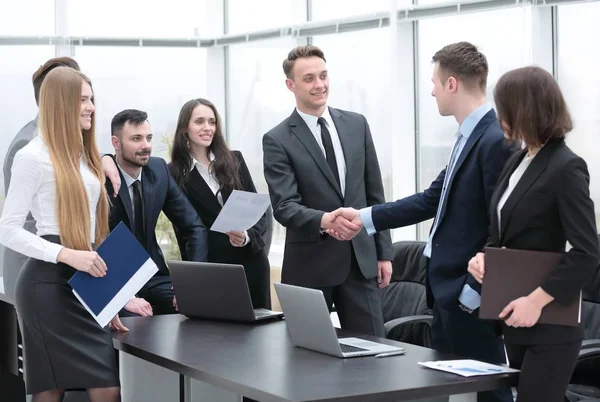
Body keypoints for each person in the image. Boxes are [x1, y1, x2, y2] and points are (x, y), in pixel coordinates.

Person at [330, 42, 513, 402]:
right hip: (444, 292)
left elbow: (502, 227)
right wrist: (364, 217)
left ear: (452, 84)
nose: (430, 91)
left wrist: (472, 294)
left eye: (434, 82)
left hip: (468, 293)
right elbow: (432, 199)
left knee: (490, 394)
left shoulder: (493, 140)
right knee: (449, 392)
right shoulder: (467, 137)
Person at [467, 66, 599, 402]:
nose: (500, 117)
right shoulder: (519, 159)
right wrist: (485, 256)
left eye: (506, 108)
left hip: (550, 324)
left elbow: (586, 252)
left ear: (525, 109)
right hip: (514, 317)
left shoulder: (566, 167)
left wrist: (535, 301)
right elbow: (501, 228)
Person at [0, 66, 126, 402]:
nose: (91, 107)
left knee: (108, 388)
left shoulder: (84, 158)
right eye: (82, 100)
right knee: (50, 391)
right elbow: (8, 229)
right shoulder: (31, 157)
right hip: (46, 286)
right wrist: (65, 254)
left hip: (83, 280)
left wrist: (107, 298)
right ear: (61, 103)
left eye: (91, 99)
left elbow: (91, 232)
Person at [262, 45, 393, 337]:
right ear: (290, 85)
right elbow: (285, 205)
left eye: (323, 75)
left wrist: (384, 253)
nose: (319, 85)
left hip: (361, 262)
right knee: (309, 363)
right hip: (309, 267)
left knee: (374, 355)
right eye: (308, 78)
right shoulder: (277, 139)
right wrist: (326, 221)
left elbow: (375, 194)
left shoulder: (357, 124)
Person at [104, 109, 209, 316]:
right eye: (136, 139)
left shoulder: (159, 170)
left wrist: (190, 282)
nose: (146, 146)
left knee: (201, 307)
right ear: (116, 143)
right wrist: (123, 296)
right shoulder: (99, 179)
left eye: (148, 138)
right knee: (135, 322)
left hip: (152, 274)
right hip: (113, 277)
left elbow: (194, 226)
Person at [169, 98, 272, 309]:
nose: (207, 128)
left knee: (258, 335)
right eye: (199, 121)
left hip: (251, 263)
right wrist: (189, 276)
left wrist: (246, 237)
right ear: (184, 128)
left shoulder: (235, 161)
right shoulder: (174, 173)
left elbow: (259, 211)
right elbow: (184, 229)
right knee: (219, 337)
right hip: (212, 268)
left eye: (212, 122)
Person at [2, 57, 80, 300]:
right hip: (35, 265)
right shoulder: (29, 145)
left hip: (62, 261)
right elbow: (24, 223)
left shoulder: (67, 141)